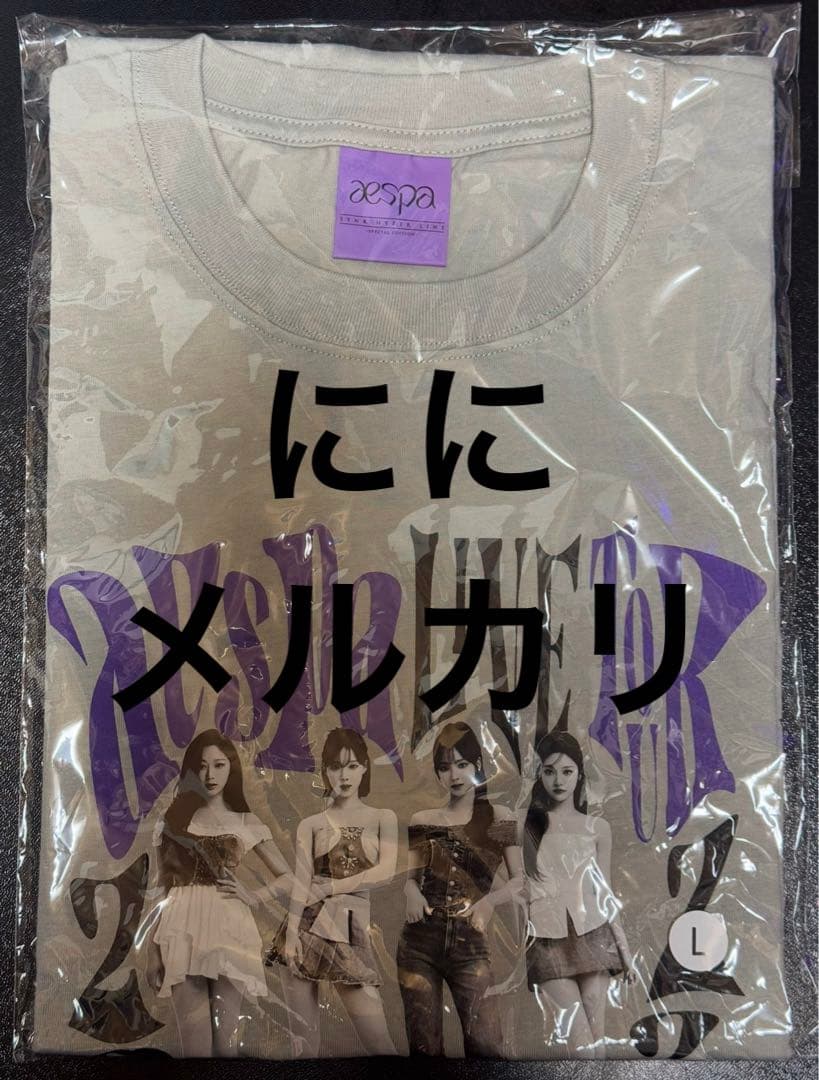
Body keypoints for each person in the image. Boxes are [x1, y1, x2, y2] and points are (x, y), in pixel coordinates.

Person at [145, 728, 291, 1056]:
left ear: (231, 768)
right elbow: (162, 887)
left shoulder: (244, 821)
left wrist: (254, 896)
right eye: (202, 766)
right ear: (192, 771)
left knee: (226, 1047)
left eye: (219, 765)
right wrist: (152, 951)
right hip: (181, 929)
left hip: (230, 928)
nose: (210, 775)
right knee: (195, 1048)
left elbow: (288, 878)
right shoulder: (172, 820)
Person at [265, 728, 398, 1057]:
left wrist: (332, 886)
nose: (344, 775)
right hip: (305, 929)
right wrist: (291, 935)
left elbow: (385, 872)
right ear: (325, 771)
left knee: (380, 1044)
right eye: (336, 767)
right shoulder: (310, 824)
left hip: (349, 929)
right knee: (303, 1046)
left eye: (352, 766)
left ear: (364, 767)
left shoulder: (382, 817)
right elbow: (302, 882)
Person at [397, 721, 523, 1057]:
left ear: (478, 765)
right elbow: (410, 879)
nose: (454, 775)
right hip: (419, 942)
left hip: (470, 943)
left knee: (486, 1046)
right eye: (445, 767)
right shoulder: (423, 819)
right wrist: (411, 893)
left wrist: (490, 902)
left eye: (462, 764)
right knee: (424, 1048)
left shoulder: (499, 816)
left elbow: (520, 881)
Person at [524, 730, 635, 1058]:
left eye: (567, 771)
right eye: (549, 771)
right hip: (546, 938)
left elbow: (604, 891)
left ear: (579, 774)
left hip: (594, 934)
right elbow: (514, 883)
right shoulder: (526, 826)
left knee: (597, 1040)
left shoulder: (598, 828)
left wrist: (625, 952)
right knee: (582, 1043)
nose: (558, 780)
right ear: (540, 775)